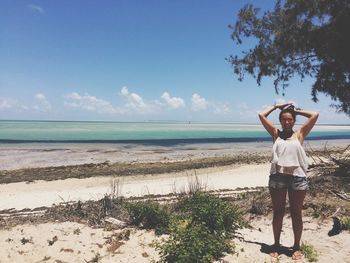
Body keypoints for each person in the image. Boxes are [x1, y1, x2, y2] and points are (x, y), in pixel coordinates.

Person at [258, 102, 319, 260]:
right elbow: (261, 115)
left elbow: (315, 115)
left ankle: (296, 247)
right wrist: (277, 106)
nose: (287, 122)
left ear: (293, 121)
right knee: (278, 213)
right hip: (278, 178)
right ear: (280, 121)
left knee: (296, 214)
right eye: (284, 119)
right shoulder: (275, 133)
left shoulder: (300, 134)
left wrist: (296, 110)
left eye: (290, 119)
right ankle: (276, 245)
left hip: (297, 179)